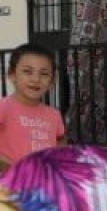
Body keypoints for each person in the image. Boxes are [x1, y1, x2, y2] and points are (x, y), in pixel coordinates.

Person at [0, 42, 66, 172]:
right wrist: (10, 168)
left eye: (44, 74)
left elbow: (61, 141)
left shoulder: (54, 114)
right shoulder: (3, 107)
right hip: (9, 185)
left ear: (52, 81)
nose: (35, 79)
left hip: (43, 184)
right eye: (27, 71)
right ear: (11, 74)